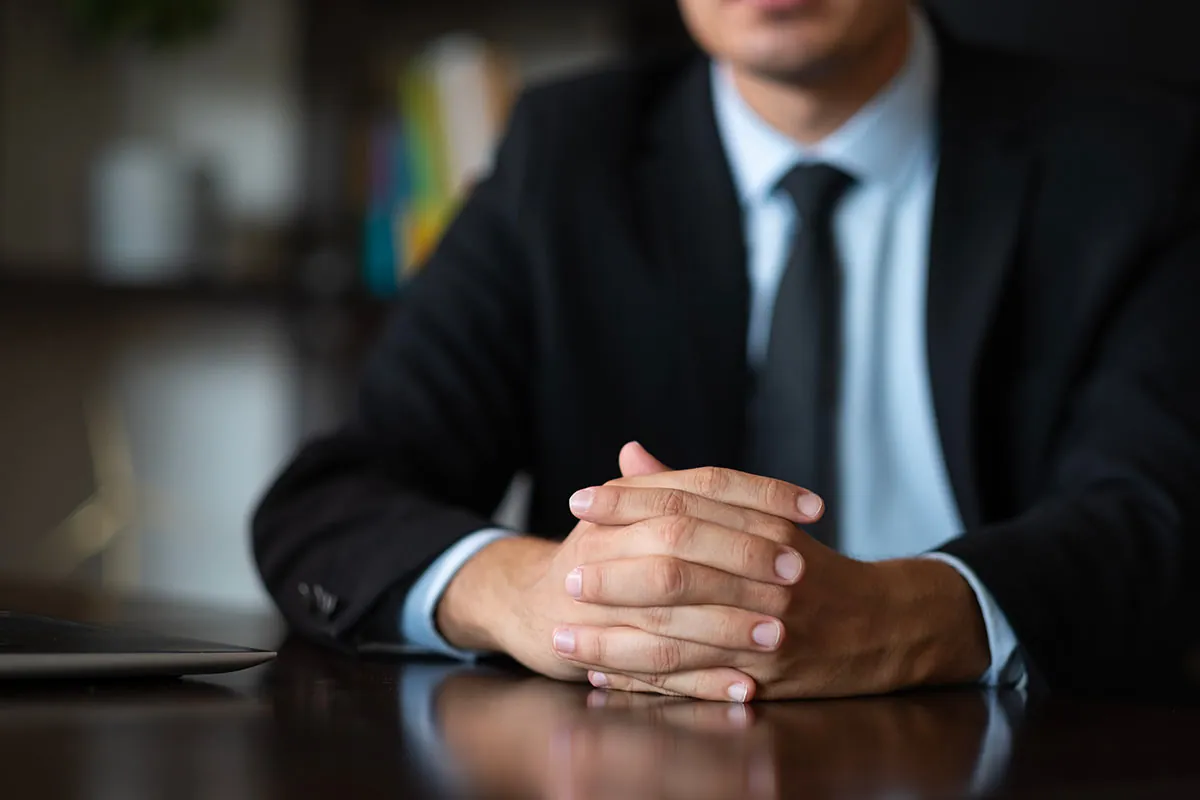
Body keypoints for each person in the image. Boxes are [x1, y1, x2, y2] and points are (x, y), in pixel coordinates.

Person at [253, 0, 1200, 701]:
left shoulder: (1131, 154)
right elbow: (333, 498)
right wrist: (531, 591)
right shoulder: (565, 152)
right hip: (635, 752)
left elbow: (1159, 512)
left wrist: (912, 616)